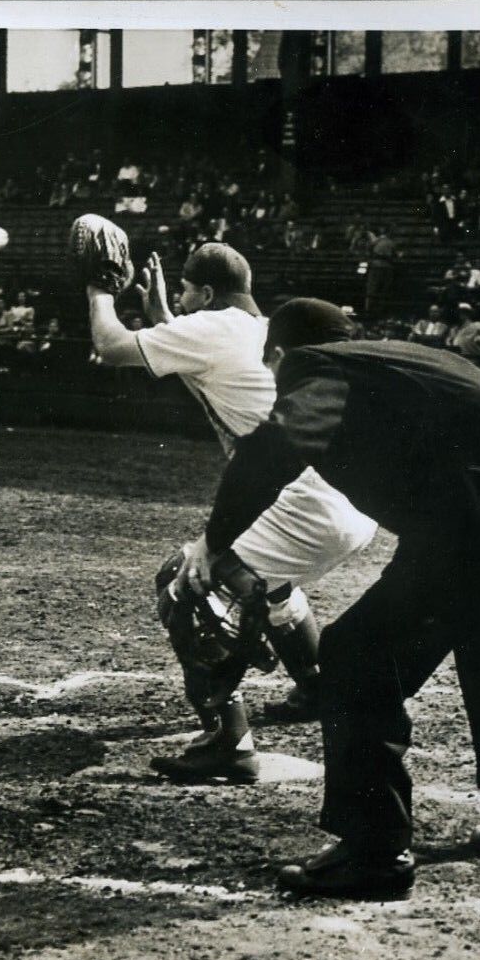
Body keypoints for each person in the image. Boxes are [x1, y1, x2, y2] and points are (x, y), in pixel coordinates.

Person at [182, 298, 480, 899]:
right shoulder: (398, 359)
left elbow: (271, 453)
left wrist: (215, 540)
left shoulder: (314, 367)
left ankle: (374, 853)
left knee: (358, 657)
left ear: (279, 353)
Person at [84, 244, 377, 781]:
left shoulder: (212, 328)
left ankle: (229, 739)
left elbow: (108, 346)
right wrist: (168, 321)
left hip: (304, 501)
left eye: (186, 288)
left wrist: (99, 288)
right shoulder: (250, 328)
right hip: (349, 502)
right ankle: (315, 686)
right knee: (264, 580)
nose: (180, 297)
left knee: (183, 581)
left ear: (209, 293)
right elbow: (205, 362)